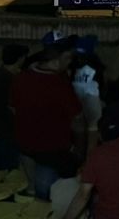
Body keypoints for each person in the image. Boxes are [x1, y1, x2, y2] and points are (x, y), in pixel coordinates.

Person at [10, 41, 83, 199]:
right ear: (56, 61)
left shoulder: (21, 78)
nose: (69, 62)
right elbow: (76, 117)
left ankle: (33, 196)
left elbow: (13, 108)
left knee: (35, 185)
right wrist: (79, 146)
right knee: (47, 191)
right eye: (67, 58)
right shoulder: (59, 85)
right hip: (52, 146)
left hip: (25, 143)